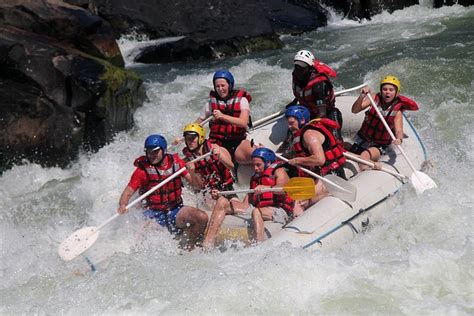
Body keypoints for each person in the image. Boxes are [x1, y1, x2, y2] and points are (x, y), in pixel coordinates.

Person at [117, 134, 208, 249]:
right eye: (149, 152)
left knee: (201, 217)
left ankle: (191, 248)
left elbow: (198, 186)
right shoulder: (142, 171)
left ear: (163, 150)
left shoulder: (177, 164)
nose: (151, 155)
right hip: (152, 214)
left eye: (155, 152)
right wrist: (122, 205)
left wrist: (193, 172)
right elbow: (128, 192)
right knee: (143, 242)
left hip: (175, 210)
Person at [202, 147, 295, 248]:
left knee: (256, 211)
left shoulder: (279, 171)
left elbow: (282, 189)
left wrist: (266, 188)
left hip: (278, 211)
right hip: (258, 209)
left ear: (268, 163)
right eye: (254, 165)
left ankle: (258, 247)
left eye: (258, 165)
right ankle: (207, 244)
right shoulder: (255, 178)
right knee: (222, 201)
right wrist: (220, 194)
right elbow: (245, 205)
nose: (255, 168)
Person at [350, 75, 419, 170]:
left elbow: (399, 130)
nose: (387, 92)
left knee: (364, 155)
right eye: (385, 89)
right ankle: (370, 164)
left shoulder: (397, 112)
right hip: (363, 139)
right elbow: (354, 110)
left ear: (396, 93)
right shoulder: (374, 98)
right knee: (342, 146)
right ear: (381, 90)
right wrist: (362, 96)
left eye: (391, 90)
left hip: (379, 145)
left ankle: (367, 173)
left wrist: (399, 139)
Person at [195, 70, 254, 164]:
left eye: (223, 85)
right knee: (214, 153)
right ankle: (233, 173)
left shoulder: (242, 100)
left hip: (238, 141)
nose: (220, 89)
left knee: (254, 155)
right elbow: (197, 124)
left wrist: (222, 116)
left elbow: (243, 122)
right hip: (218, 143)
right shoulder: (210, 104)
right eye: (217, 86)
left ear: (230, 85)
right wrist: (183, 136)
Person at [289, 49, 343, 142]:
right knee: (291, 136)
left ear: (310, 68)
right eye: (297, 66)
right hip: (307, 111)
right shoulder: (296, 76)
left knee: (335, 139)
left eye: (302, 67)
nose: (298, 70)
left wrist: (310, 126)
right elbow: (301, 92)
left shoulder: (318, 85)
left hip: (326, 113)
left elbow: (322, 114)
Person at [181, 122, 236, 211]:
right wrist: (192, 172)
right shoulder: (187, 161)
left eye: (193, 138)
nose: (190, 141)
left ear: (201, 137)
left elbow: (231, 167)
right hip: (207, 193)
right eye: (187, 139)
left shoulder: (215, 148)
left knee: (236, 207)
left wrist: (220, 157)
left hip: (226, 188)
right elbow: (197, 186)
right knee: (212, 208)